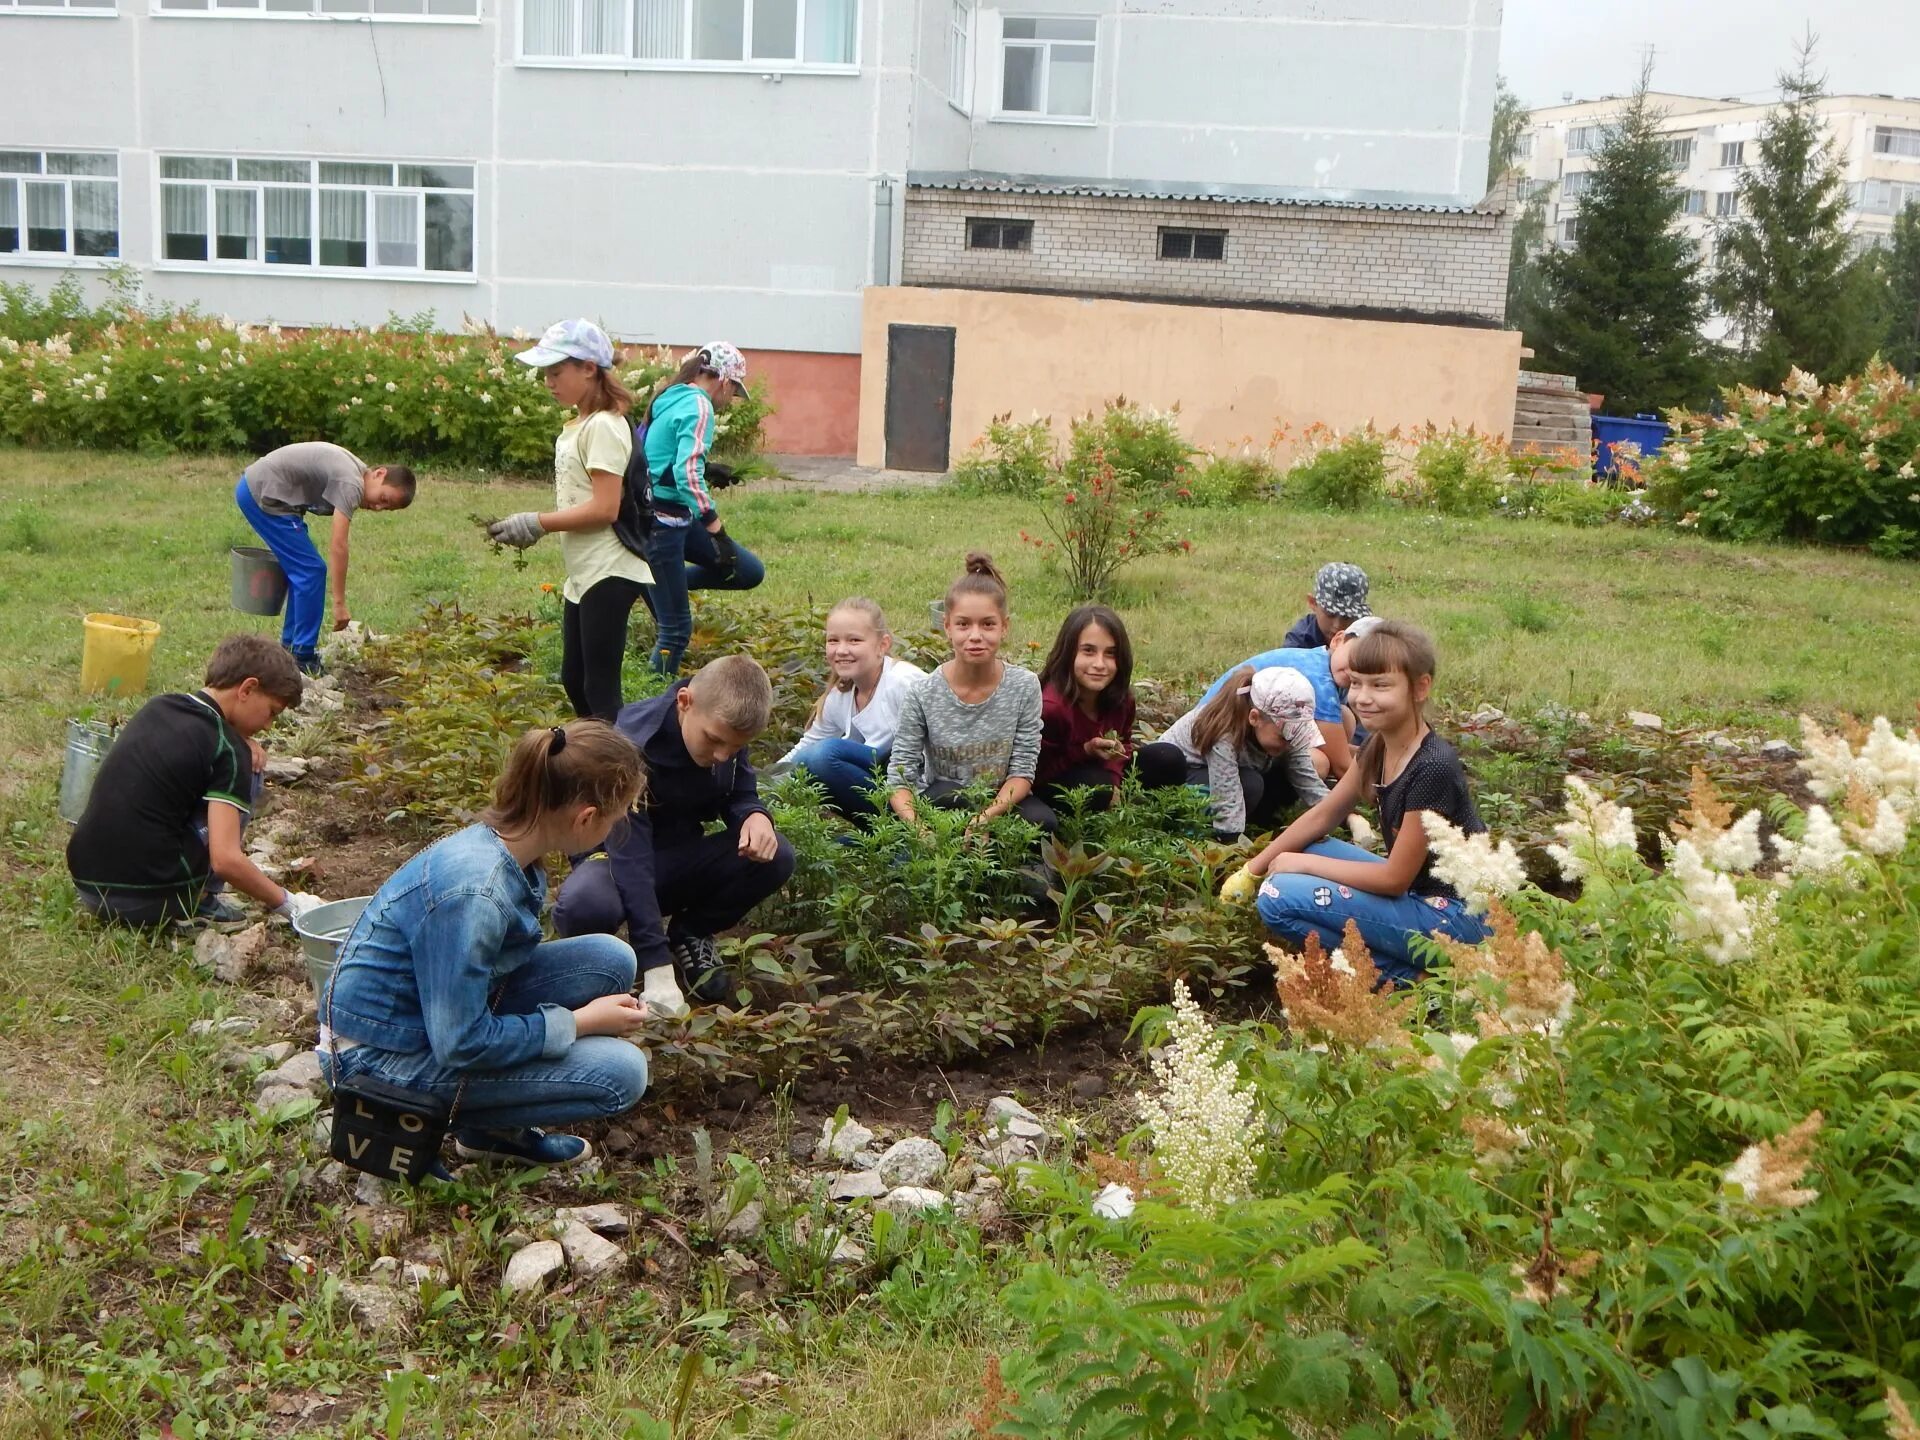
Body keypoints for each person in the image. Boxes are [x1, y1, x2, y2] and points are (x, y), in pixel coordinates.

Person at [319, 721, 650, 1177]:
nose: (617, 828)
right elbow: (460, 1042)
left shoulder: (504, 846)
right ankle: (463, 1121)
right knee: (622, 1073)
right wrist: (577, 1022)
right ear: (586, 818)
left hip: (419, 1020)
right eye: (616, 818)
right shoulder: (476, 894)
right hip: (373, 1057)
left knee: (612, 959)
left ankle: (489, 1132)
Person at [1222, 621, 1492, 986]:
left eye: (1381, 685)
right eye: (1357, 682)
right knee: (1308, 844)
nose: (1363, 696)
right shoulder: (1380, 744)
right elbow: (1326, 812)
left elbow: (1395, 879)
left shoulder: (1431, 767)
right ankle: (1407, 968)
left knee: (1277, 896)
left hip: (1457, 918)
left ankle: (1416, 981)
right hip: (1418, 894)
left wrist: (1302, 866)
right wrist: (1253, 869)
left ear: (1420, 687)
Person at [554, 655, 794, 1010]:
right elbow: (630, 857)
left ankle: (690, 931)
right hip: (613, 862)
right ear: (684, 703)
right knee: (585, 904)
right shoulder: (632, 747)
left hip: (674, 860)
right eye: (714, 741)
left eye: (735, 748)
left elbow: (739, 793)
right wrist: (656, 965)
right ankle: (598, 965)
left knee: (777, 855)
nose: (722, 755)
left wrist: (755, 815)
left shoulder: (721, 725)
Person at [67, 634, 328, 927]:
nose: (268, 725)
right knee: (251, 773)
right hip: (150, 900)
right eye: (272, 712)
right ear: (248, 688)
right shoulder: (227, 749)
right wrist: (290, 904)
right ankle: (201, 897)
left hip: (88, 884)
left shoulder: (160, 706)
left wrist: (241, 737)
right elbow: (225, 859)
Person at [489, 319, 655, 723]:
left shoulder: (604, 426)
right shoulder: (581, 424)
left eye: (556, 371)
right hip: (583, 573)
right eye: (545, 373)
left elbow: (605, 508)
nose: (548, 382)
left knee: (600, 689)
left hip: (611, 568)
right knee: (575, 680)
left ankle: (626, 774)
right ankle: (596, 763)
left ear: (589, 369)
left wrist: (538, 523)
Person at [886, 553, 1049, 831]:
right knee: (945, 801)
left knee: (1042, 822)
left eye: (988, 624)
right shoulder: (923, 693)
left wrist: (985, 818)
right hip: (944, 797)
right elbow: (900, 777)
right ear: (947, 627)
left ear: (1004, 627)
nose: (975, 636)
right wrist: (918, 829)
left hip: (1001, 799)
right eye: (963, 624)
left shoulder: (1024, 686)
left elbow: (1022, 771)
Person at [235, 442, 416, 673]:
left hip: (267, 492)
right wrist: (339, 604)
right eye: (383, 498)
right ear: (380, 474)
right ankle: (301, 656)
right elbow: (339, 545)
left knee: (304, 571)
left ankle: (291, 649)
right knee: (311, 570)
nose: (379, 507)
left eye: (386, 508)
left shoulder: (355, 472)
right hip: (260, 493)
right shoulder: (352, 483)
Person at [642, 342, 766, 674]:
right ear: (724, 381)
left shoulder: (673, 394)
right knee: (676, 632)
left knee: (748, 570)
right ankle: (646, 711)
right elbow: (685, 474)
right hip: (662, 524)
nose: (731, 400)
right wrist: (717, 531)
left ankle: (658, 583)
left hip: (673, 516)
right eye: (735, 391)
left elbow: (659, 455)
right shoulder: (700, 405)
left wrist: (709, 468)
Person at [1134, 666, 1328, 842]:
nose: (1291, 742)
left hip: (1225, 777)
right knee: (1251, 784)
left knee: (1278, 776)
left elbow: (1308, 779)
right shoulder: (1225, 732)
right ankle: (1192, 831)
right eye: (1284, 736)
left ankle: (1258, 823)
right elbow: (1226, 792)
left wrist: (1346, 816)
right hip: (1181, 776)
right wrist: (1232, 843)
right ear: (1255, 718)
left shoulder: (1280, 731)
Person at [782, 598, 926, 822]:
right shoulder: (840, 694)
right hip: (885, 789)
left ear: (883, 645)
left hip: (919, 793)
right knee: (810, 760)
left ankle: (908, 834)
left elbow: (938, 747)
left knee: (823, 756)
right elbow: (805, 748)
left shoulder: (904, 683)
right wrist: (760, 787)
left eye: (854, 640)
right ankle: (886, 837)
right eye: (833, 640)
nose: (841, 650)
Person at [1199, 615, 1385, 778]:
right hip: (1221, 738)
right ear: (1338, 640)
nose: (1355, 669)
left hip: (1258, 733)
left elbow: (1343, 753)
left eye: (1366, 667)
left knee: (1345, 717)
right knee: (1319, 762)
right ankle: (1277, 793)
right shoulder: (1319, 680)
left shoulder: (1325, 664)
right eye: (1353, 656)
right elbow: (1343, 767)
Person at [1030, 604, 1137, 825]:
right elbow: (1037, 773)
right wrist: (1085, 750)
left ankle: (1152, 818)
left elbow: (1124, 745)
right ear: (1068, 653)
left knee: (1166, 758)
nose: (1100, 664)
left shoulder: (1122, 700)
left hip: (1104, 774)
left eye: (1110, 654)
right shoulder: (1052, 707)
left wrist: (1116, 780)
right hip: (1052, 784)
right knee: (1097, 787)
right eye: (1088, 651)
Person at [1281, 561, 1372, 651]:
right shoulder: (1298, 644)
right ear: (1313, 603)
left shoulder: (1367, 638)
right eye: (1330, 614)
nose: (1338, 625)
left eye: (1347, 617)